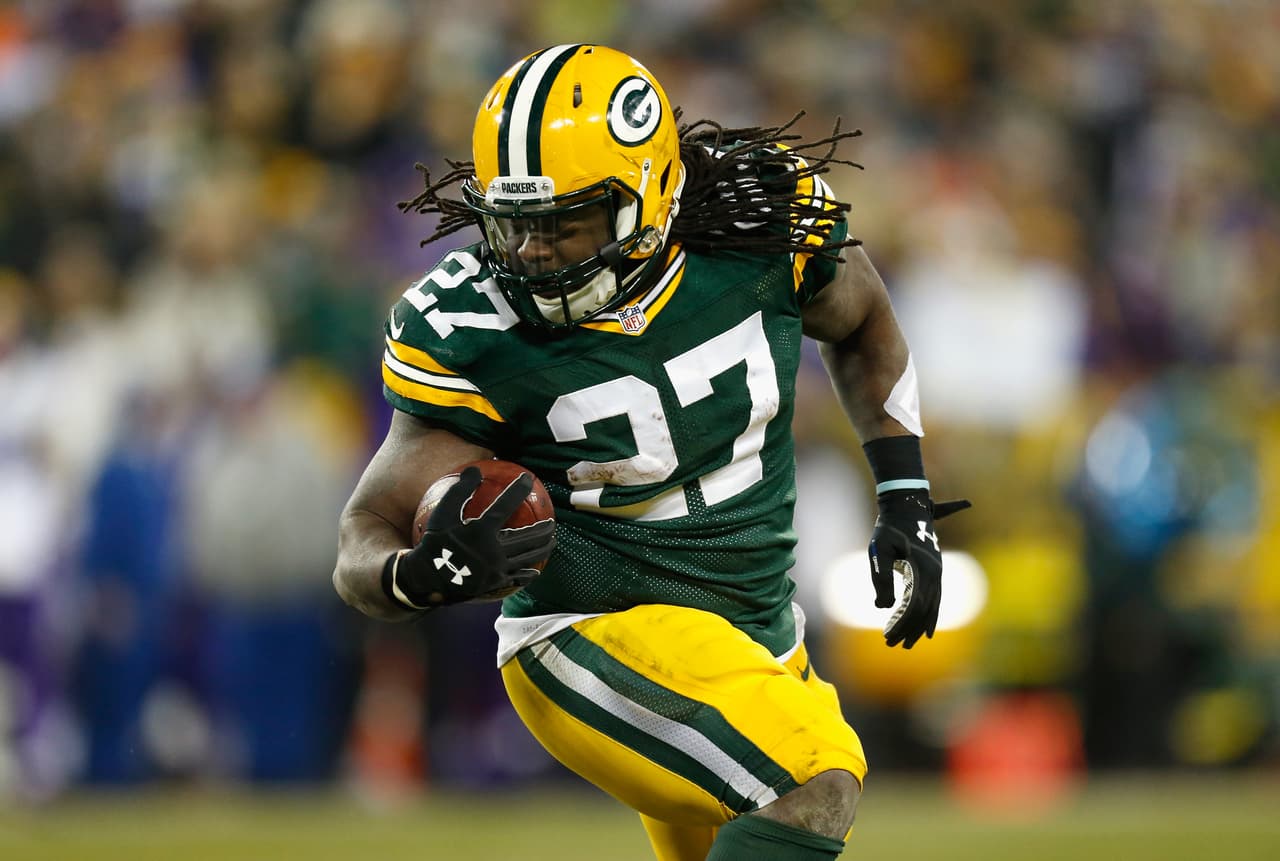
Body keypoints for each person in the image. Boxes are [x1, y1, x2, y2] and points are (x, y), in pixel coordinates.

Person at [333, 44, 967, 861]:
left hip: (750, 631)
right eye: (516, 221)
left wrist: (906, 494)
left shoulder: (756, 226)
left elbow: (863, 319)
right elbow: (364, 532)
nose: (535, 251)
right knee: (816, 778)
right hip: (586, 630)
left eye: (569, 220)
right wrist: (413, 574)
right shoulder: (474, 330)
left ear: (654, 192)